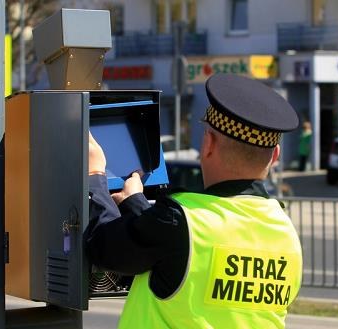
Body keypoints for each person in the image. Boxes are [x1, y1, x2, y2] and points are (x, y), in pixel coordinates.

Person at [86, 74, 303, 329]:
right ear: (275, 156)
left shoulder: (180, 221)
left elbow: (103, 247)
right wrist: (136, 204)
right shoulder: (286, 233)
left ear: (208, 144)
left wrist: (94, 174)